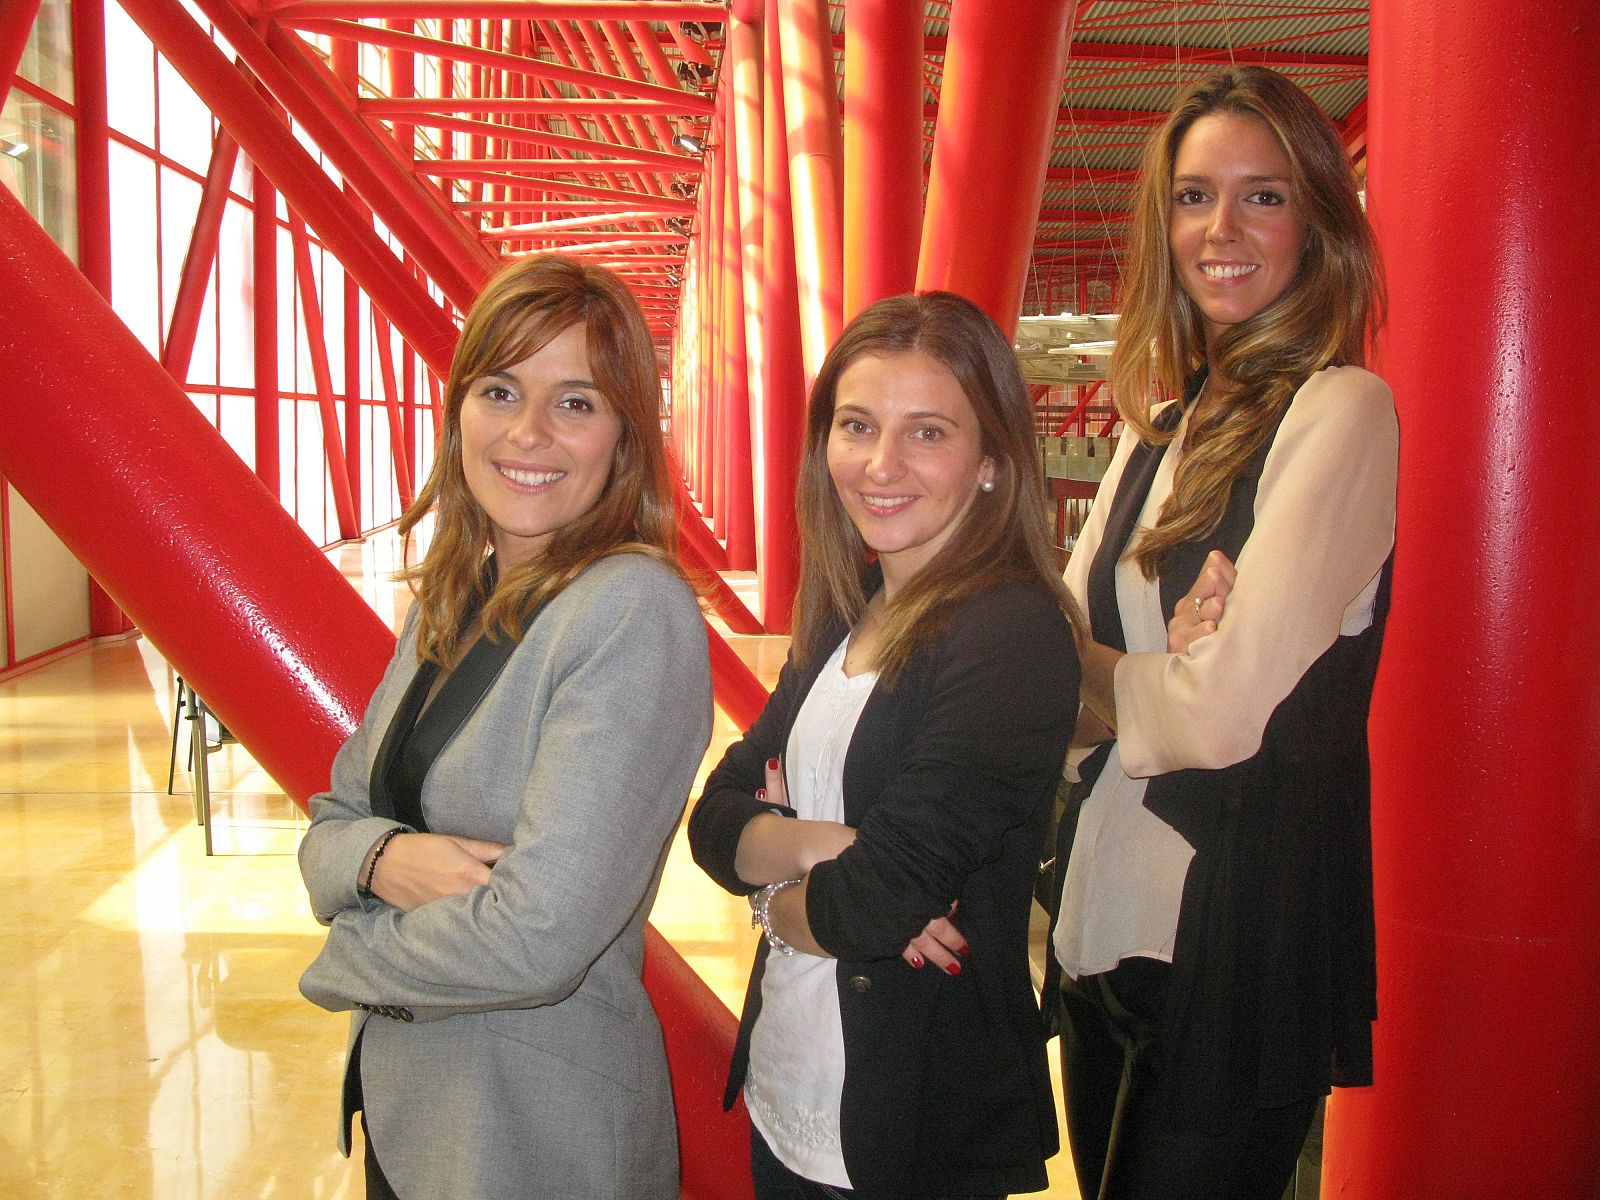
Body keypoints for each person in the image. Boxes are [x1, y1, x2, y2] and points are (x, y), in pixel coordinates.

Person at [1045, 66, 1398, 1200]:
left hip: (1236, 935)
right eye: (1195, 198)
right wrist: (1142, 670)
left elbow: (1220, 710)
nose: (1221, 230)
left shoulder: (1339, 412)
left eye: (1263, 195)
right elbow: (1037, 641)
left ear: (1316, 222)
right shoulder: (1160, 427)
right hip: (1104, 924)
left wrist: (1113, 674)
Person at [297, 255, 712, 1200]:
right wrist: (372, 861)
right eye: (500, 390)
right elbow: (331, 816)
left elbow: (538, 937)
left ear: (624, 438)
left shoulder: (630, 612)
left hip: (534, 1138)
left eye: (576, 402)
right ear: (459, 413)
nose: (528, 432)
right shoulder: (455, 598)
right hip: (416, 1121)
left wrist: (347, 958)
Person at [689, 291, 1081, 1199]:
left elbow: (875, 905)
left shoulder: (1009, 633)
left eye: (928, 433)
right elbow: (714, 818)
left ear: (991, 460)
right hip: (790, 1099)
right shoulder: (844, 607)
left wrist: (780, 899)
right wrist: (836, 855)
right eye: (856, 425)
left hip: (912, 1126)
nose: (880, 464)